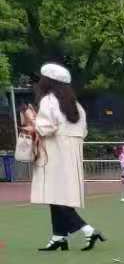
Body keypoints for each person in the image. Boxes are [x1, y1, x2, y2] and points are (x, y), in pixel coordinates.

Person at [29, 63, 104, 253]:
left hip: (54, 151)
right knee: (59, 195)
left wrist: (32, 122)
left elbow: (46, 127)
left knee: (55, 194)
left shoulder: (48, 100)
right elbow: (83, 131)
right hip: (72, 152)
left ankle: (88, 230)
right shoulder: (76, 105)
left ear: (48, 81)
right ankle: (59, 237)